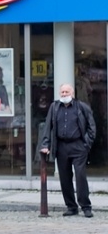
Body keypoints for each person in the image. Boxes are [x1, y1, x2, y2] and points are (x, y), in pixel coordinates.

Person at [40, 83, 96, 217]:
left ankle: (86, 206)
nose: (64, 94)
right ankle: (71, 207)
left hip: (78, 146)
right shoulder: (54, 107)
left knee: (80, 176)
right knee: (64, 178)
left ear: (72, 94)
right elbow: (48, 127)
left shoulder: (81, 107)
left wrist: (86, 144)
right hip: (61, 147)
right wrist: (45, 145)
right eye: (62, 92)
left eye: (67, 92)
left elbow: (91, 127)